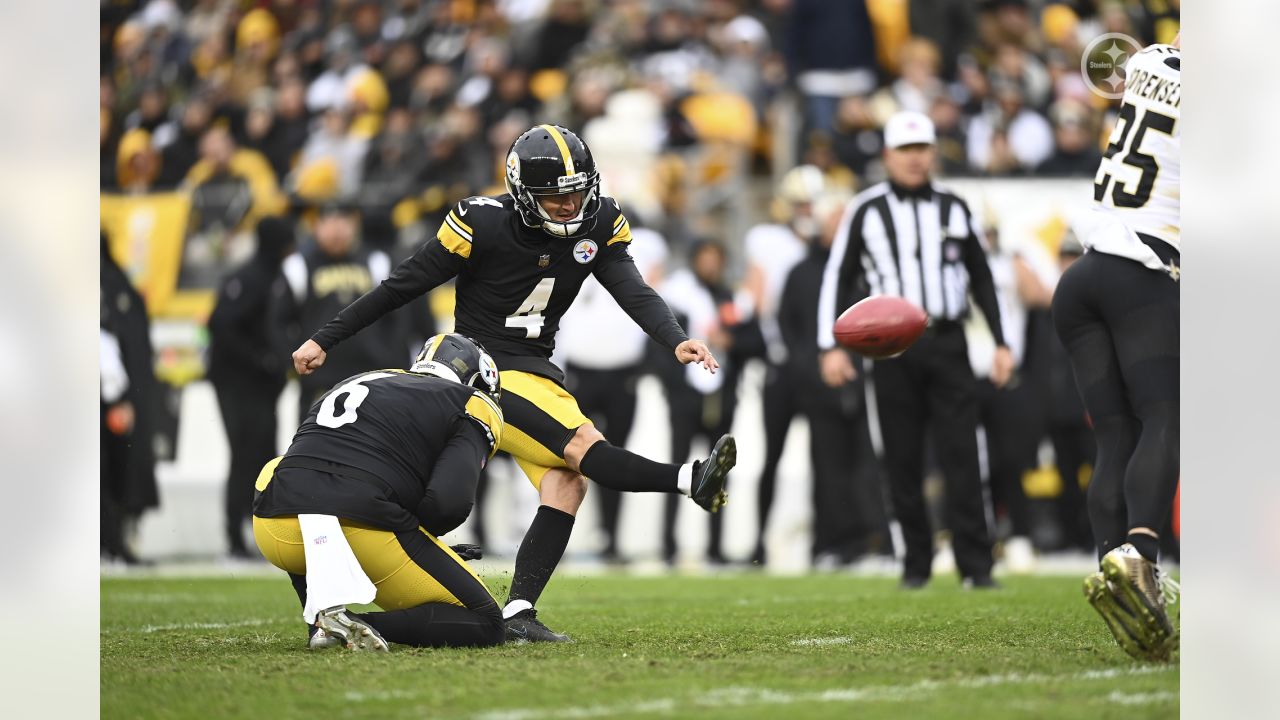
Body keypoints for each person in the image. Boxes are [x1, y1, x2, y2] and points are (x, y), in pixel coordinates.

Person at [290, 124, 735, 642]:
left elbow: (632, 290)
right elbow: (400, 286)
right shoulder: (481, 222)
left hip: (538, 370)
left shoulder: (601, 221)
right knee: (581, 448)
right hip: (481, 372)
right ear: (524, 193)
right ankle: (690, 479)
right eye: (555, 196)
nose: (569, 206)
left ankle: (519, 610)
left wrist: (673, 337)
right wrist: (326, 337)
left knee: (566, 485)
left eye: (576, 192)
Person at [817, 111, 1012, 589]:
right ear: (887, 155)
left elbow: (981, 276)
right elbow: (837, 275)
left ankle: (976, 565)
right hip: (889, 350)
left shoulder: (955, 206)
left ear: (933, 152)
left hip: (948, 340)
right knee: (901, 458)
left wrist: (1002, 341)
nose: (915, 158)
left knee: (963, 454)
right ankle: (915, 563)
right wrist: (831, 345)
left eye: (922, 148)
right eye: (905, 150)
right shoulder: (866, 209)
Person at [253, 333, 506, 651]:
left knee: (289, 472)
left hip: (273, 523)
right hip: (356, 520)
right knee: (487, 622)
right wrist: (425, 543)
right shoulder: (470, 402)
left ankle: (320, 619)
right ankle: (355, 624)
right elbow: (448, 504)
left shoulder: (360, 379)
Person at [1052, 38, 1181, 661]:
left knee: (1114, 435)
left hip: (1083, 276)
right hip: (1143, 274)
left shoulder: (1152, 59)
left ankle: (1117, 578)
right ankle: (1143, 567)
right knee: (1167, 417)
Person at [777, 192, 890, 567]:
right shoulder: (801, 272)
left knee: (869, 467)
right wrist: (813, 369)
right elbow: (790, 330)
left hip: (867, 382)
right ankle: (832, 543)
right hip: (818, 387)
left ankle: (874, 539)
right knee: (828, 468)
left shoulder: (867, 272)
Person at [555, 220, 671, 564]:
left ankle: (611, 539)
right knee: (563, 457)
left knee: (614, 455)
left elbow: (652, 287)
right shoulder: (566, 244)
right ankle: (554, 539)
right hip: (578, 370)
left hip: (623, 371)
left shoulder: (641, 245)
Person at [741, 165, 825, 566]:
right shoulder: (769, 241)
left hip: (817, 361)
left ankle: (824, 542)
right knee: (771, 456)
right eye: (801, 203)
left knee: (826, 456)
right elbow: (755, 296)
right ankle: (759, 540)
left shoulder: (829, 244)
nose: (806, 210)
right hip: (780, 359)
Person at [207, 216, 295, 558]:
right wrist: (263, 359)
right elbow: (221, 325)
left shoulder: (272, 277)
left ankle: (256, 531)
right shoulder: (250, 279)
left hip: (259, 385)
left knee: (262, 456)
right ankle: (234, 535)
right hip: (237, 382)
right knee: (245, 456)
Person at [274, 200, 406, 425]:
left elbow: (398, 319)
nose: (336, 230)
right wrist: (293, 365)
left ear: (354, 225)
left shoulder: (377, 262)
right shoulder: (298, 266)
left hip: (371, 377)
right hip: (319, 382)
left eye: (343, 222)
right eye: (329, 222)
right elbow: (278, 322)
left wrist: (388, 358)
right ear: (316, 226)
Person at [101, 233, 160, 565]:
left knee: (112, 469)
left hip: (115, 395)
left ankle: (114, 543)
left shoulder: (112, 286)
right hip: (122, 394)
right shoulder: (118, 284)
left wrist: (116, 394)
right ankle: (114, 543)